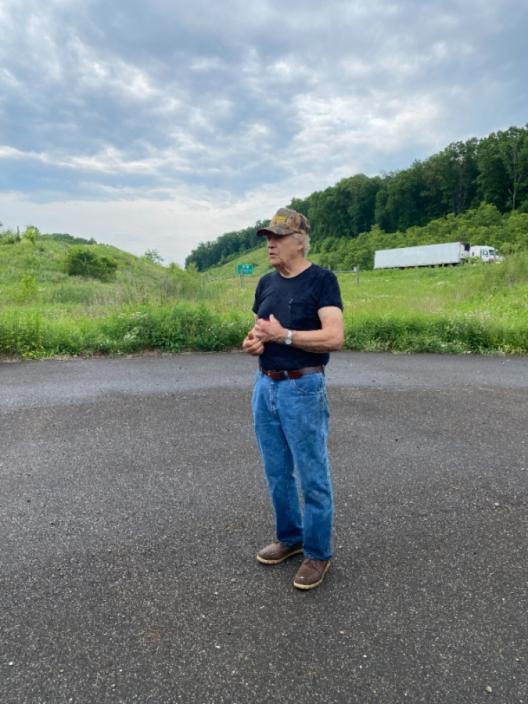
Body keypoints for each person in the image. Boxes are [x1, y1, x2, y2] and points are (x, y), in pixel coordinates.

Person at [242, 207, 344, 590]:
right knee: (276, 472)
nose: (270, 243)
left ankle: (318, 553)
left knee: (313, 476)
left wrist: (284, 336)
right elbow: (256, 332)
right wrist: (253, 342)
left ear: (300, 241)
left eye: (279, 237)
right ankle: (290, 537)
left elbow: (334, 337)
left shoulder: (322, 281)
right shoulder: (267, 283)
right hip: (265, 385)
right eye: (268, 237)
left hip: (303, 387)